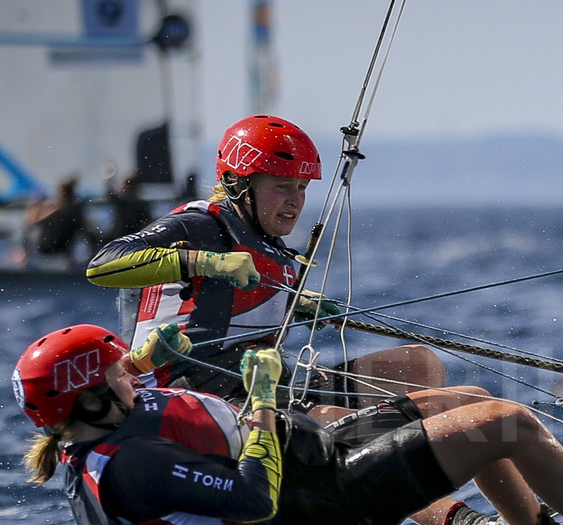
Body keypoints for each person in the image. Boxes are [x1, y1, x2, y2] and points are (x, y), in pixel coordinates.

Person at [13, 323, 563, 525]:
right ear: (86, 404)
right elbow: (252, 499)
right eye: (115, 377)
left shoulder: (101, 423)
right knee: (506, 423)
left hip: (314, 455)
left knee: (463, 397)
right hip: (320, 503)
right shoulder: (128, 469)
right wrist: (258, 403)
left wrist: (146, 355)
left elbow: (151, 400)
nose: (129, 378)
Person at [84, 114, 441, 409]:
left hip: (261, 394)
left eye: (301, 187)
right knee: (334, 422)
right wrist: (207, 262)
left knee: (419, 365)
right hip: (189, 402)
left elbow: (235, 305)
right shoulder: (201, 224)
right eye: (281, 186)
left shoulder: (274, 250)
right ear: (236, 182)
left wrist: (294, 302)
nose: (295, 200)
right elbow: (102, 265)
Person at [26, 176, 95, 267]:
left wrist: (36, 205)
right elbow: (87, 232)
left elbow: (31, 222)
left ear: (62, 194)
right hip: (57, 254)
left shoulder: (59, 210)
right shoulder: (74, 210)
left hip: (51, 254)